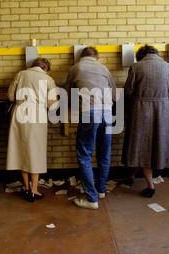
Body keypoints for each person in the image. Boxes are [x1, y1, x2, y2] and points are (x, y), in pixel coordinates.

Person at [121, 45, 169, 198]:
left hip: (141, 110)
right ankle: (131, 176)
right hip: (162, 111)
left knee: (142, 145)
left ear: (140, 56)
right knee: (153, 145)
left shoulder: (136, 67)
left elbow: (128, 92)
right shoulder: (168, 67)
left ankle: (150, 186)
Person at [64, 47, 116, 209]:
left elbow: (66, 93)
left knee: (84, 155)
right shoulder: (104, 68)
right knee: (104, 154)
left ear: (81, 57)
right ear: (97, 57)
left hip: (89, 113)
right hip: (107, 113)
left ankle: (91, 199)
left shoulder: (76, 68)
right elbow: (114, 95)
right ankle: (101, 190)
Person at [6, 58, 58, 203]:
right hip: (37, 117)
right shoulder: (48, 79)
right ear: (45, 68)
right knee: (36, 152)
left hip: (19, 115)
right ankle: (35, 190)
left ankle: (27, 188)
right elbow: (52, 105)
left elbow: (10, 96)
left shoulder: (20, 74)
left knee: (22, 151)